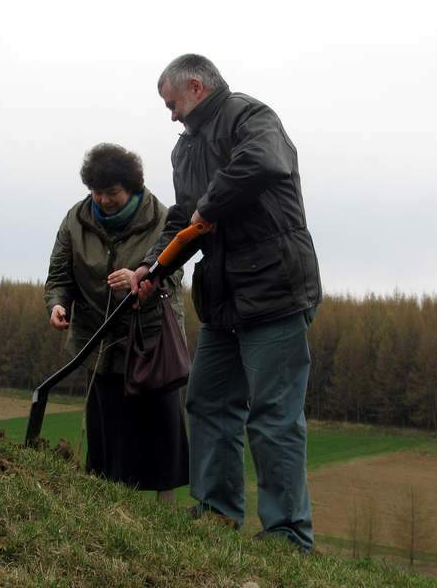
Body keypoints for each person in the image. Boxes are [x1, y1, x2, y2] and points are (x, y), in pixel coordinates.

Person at [132, 55, 322, 551]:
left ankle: (286, 533)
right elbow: (183, 220)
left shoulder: (250, 117)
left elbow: (261, 163)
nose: (170, 115)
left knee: (275, 415)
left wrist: (206, 208)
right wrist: (154, 268)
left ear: (195, 86)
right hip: (221, 300)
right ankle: (217, 511)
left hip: (276, 291)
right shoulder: (184, 151)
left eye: (172, 104)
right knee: (209, 401)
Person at [45, 142, 189, 501]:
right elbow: (59, 274)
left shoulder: (161, 218)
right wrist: (58, 304)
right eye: (96, 192)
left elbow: (172, 275)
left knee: (159, 425)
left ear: (133, 189)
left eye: (112, 193)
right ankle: (107, 505)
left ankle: (163, 508)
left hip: (150, 342)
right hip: (98, 341)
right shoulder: (76, 220)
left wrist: (139, 278)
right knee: (106, 429)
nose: (103, 200)